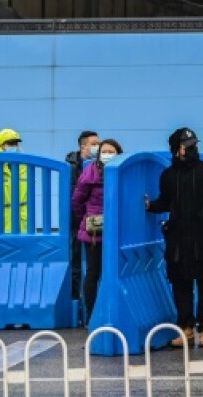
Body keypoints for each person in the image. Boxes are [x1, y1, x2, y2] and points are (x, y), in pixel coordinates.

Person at [146, 128, 203, 348]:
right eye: (187, 145)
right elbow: (165, 202)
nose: (193, 148)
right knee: (180, 285)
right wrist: (150, 206)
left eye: (194, 144)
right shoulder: (168, 175)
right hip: (177, 239)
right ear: (177, 149)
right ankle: (186, 328)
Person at [71, 139, 122, 320]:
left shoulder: (123, 171)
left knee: (116, 272)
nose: (107, 155)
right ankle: (92, 316)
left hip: (118, 230)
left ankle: (112, 314)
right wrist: (86, 219)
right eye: (104, 151)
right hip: (95, 231)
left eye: (111, 151)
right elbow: (77, 201)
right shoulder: (89, 173)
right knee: (93, 273)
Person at [66, 129, 100, 316]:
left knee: (93, 268)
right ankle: (77, 307)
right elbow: (76, 198)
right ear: (83, 146)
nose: (98, 147)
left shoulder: (98, 165)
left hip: (94, 224)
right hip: (79, 222)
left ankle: (90, 309)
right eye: (94, 143)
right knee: (77, 264)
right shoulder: (71, 166)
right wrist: (82, 218)